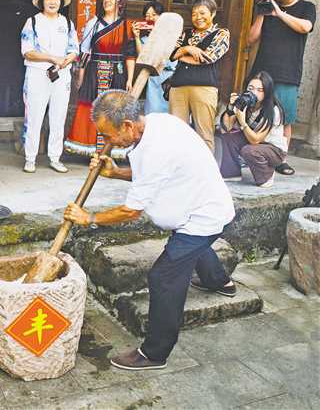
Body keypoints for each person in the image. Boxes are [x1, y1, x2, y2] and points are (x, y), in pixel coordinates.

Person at [64, 91, 235, 371]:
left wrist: (88, 217)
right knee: (191, 249)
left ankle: (154, 353)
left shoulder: (157, 147)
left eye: (108, 136)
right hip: (198, 207)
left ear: (128, 126)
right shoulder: (156, 123)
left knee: (164, 277)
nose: (107, 143)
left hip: (202, 217)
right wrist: (116, 172)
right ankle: (220, 282)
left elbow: (131, 211)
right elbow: (151, 172)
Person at [248, 0, 316, 176]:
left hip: (287, 72)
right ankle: (251, 154)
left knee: (285, 118)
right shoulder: (268, 9)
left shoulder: (306, 8)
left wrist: (279, 13)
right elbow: (251, 39)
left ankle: (281, 159)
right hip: (261, 72)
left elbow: (305, 27)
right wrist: (262, 12)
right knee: (254, 114)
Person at [64, 0, 136, 157]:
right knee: (92, 108)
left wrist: (130, 79)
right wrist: (80, 76)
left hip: (117, 74)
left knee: (115, 111)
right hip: (94, 73)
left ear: (120, 2)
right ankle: (91, 150)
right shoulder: (94, 23)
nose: (107, 1)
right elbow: (85, 52)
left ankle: (111, 151)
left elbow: (130, 55)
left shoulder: (127, 26)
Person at [21, 0, 79, 173]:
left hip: (61, 75)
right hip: (38, 73)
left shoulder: (67, 23)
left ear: (61, 1)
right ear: (42, 1)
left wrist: (66, 60)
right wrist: (52, 57)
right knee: (34, 117)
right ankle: (30, 158)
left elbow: (74, 50)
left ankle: (55, 157)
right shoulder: (33, 21)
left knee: (58, 116)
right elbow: (27, 51)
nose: (52, 2)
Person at [168, 0, 230, 153]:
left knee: (204, 134)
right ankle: (178, 171)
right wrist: (188, 49)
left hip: (204, 88)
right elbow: (171, 54)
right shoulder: (185, 33)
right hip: (178, 87)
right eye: (194, 14)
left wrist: (181, 54)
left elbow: (207, 58)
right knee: (176, 132)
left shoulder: (221, 34)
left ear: (213, 13)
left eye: (202, 13)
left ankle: (206, 174)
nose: (198, 17)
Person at [218, 71, 287, 188]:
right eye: (251, 88)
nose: (254, 93)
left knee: (249, 150)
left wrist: (243, 122)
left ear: (267, 93)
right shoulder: (245, 101)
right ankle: (231, 172)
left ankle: (266, 175)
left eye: (260, 90)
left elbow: (255, 140)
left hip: (275, 151)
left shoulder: (273, 110)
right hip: (255, 143)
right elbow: (227, 128)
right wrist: (231, 108)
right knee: (228, 137)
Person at [132, 1, 176, 114]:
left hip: (170, 79)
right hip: (154, 79)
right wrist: (137, 37)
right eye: (147, 15)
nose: (150, 17)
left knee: (171, 113)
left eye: (154, 14)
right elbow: (142, 57)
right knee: (153, 112)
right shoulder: (145, 39)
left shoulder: (171, 35)